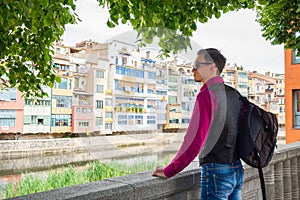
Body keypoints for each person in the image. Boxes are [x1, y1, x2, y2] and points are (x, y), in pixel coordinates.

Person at [152, 48, 244, 199]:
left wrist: (170, 170)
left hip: (216, 172)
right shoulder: (234, 94)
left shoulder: (207, 94)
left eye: (197, 65)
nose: (192, 69)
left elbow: (194, 140)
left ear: (212, 67)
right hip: (236, 170)